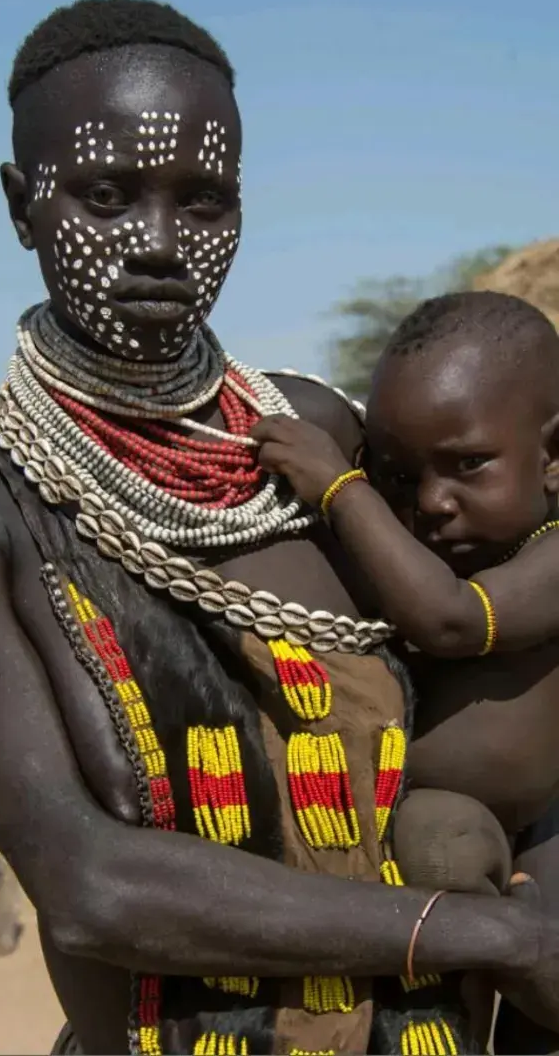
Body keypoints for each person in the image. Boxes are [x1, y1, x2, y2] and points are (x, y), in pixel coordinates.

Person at [0, 0, 556, 1054]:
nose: (157, 245)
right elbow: (89, 883)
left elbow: (505, 645)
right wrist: (490, 934)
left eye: (203, 201)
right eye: (104, 196)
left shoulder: (316, 438)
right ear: (20, 204)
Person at [254, 289, 559, 1052]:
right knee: (439, 861)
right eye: (399, 474)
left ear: (554, 456)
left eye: (466, 466)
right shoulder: (410, 547)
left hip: (546, 827)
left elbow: (451, 620)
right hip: (444, 833)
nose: (431, 503)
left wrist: (340, 488)